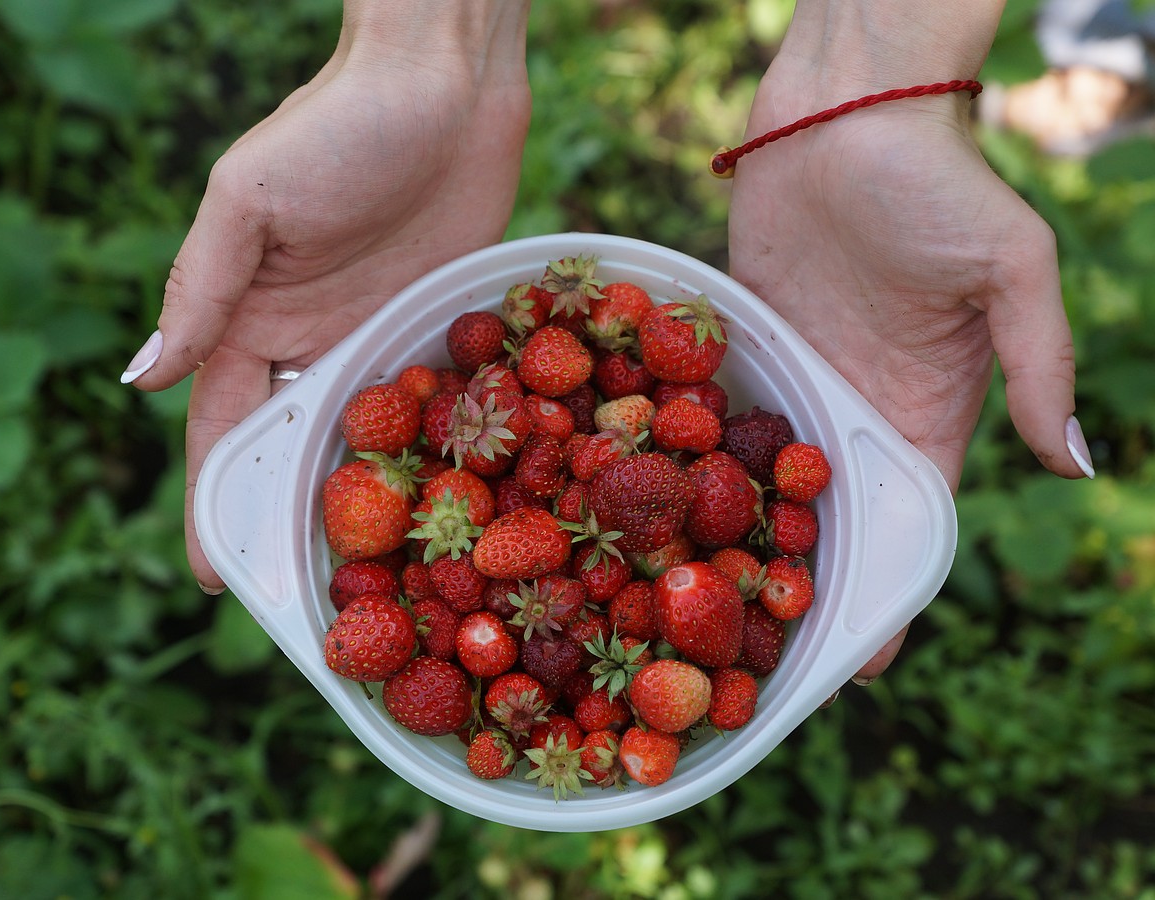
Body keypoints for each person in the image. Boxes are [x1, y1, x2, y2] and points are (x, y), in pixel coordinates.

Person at [120, 0, 1094, 687]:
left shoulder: (574, 472)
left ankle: (1103, 54)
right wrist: (418, 55)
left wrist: (878, 91)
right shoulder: (557, 481)